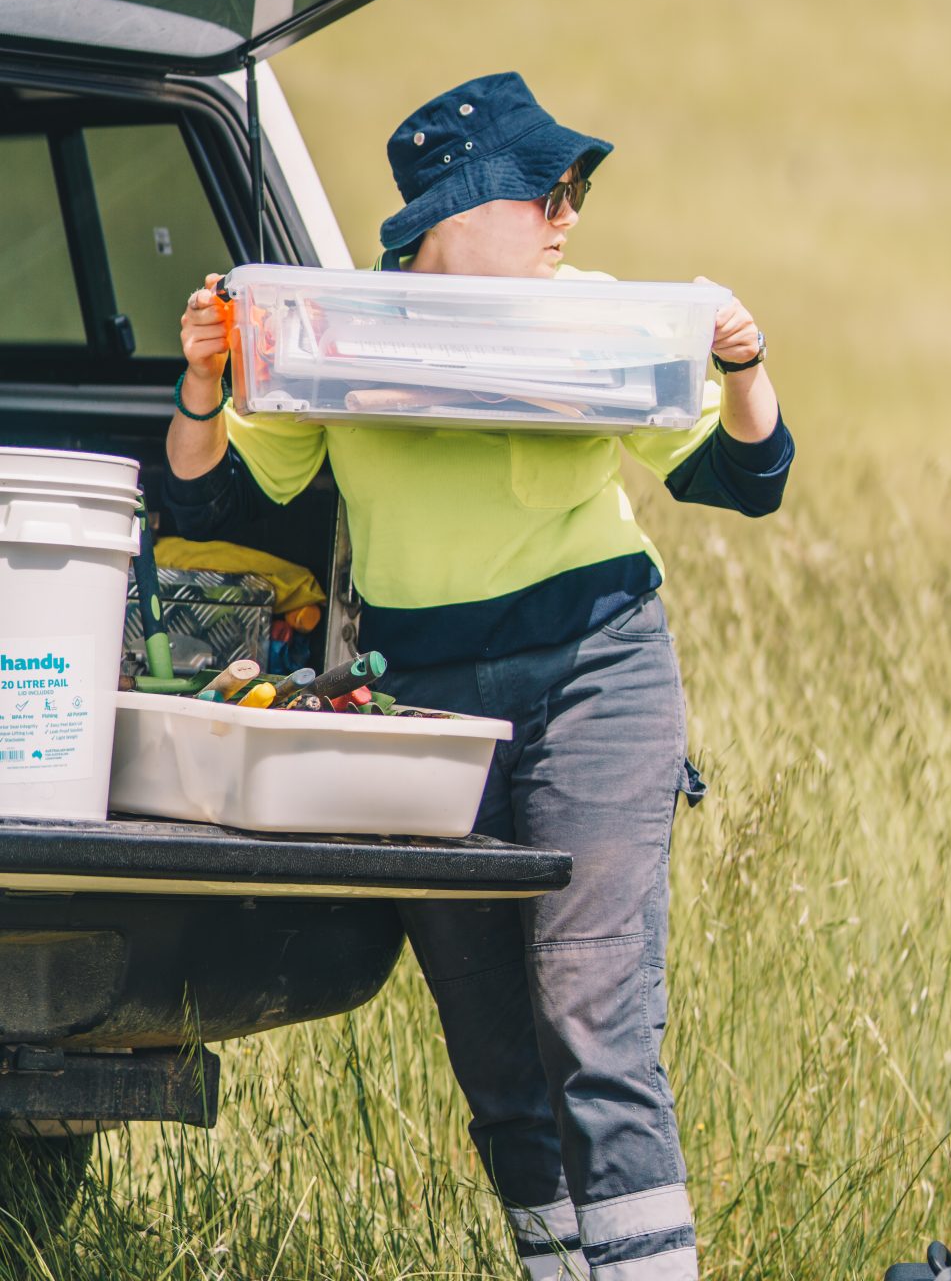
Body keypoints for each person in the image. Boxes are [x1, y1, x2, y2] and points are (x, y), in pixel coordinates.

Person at [164, 71, 795, 1281]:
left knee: (593, 1018)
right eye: (546, 193)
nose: (569, 217)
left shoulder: (596, 315)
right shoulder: (334, 329)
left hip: (597, 673)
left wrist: (744, 360)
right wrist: (206, 376)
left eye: (575, 193)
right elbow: (212, 496)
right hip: (426, 706)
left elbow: (743, 477)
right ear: (456, 206)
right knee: (496, 1049)